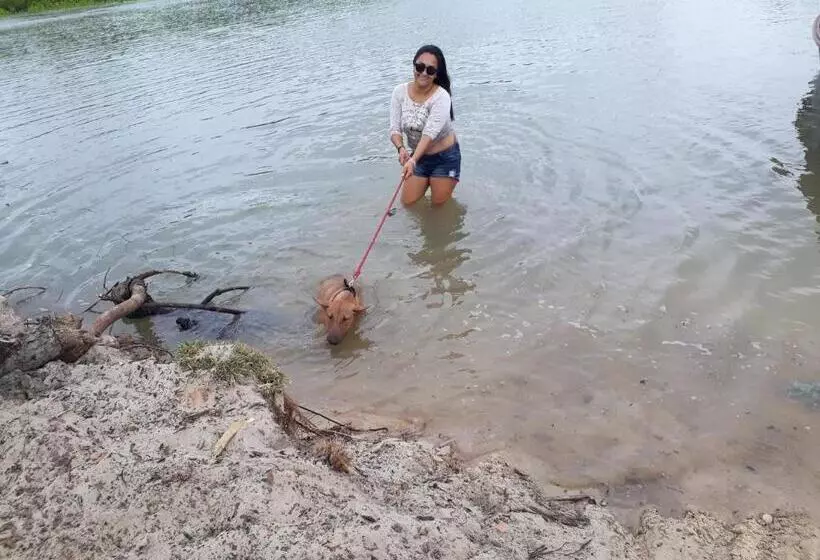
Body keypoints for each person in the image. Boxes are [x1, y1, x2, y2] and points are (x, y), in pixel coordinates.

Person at [389, 45, 460, 206]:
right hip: (418, 157)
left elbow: (429, 134)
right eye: (419, 67)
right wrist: (401, 149)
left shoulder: (442, 97)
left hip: (445, 158)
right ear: (414, 66)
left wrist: (412, 161)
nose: (423, 73)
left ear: (436, 74)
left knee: (438, 208)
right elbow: (394, 129)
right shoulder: (399, 92)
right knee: (408, 204)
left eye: (430, 70)